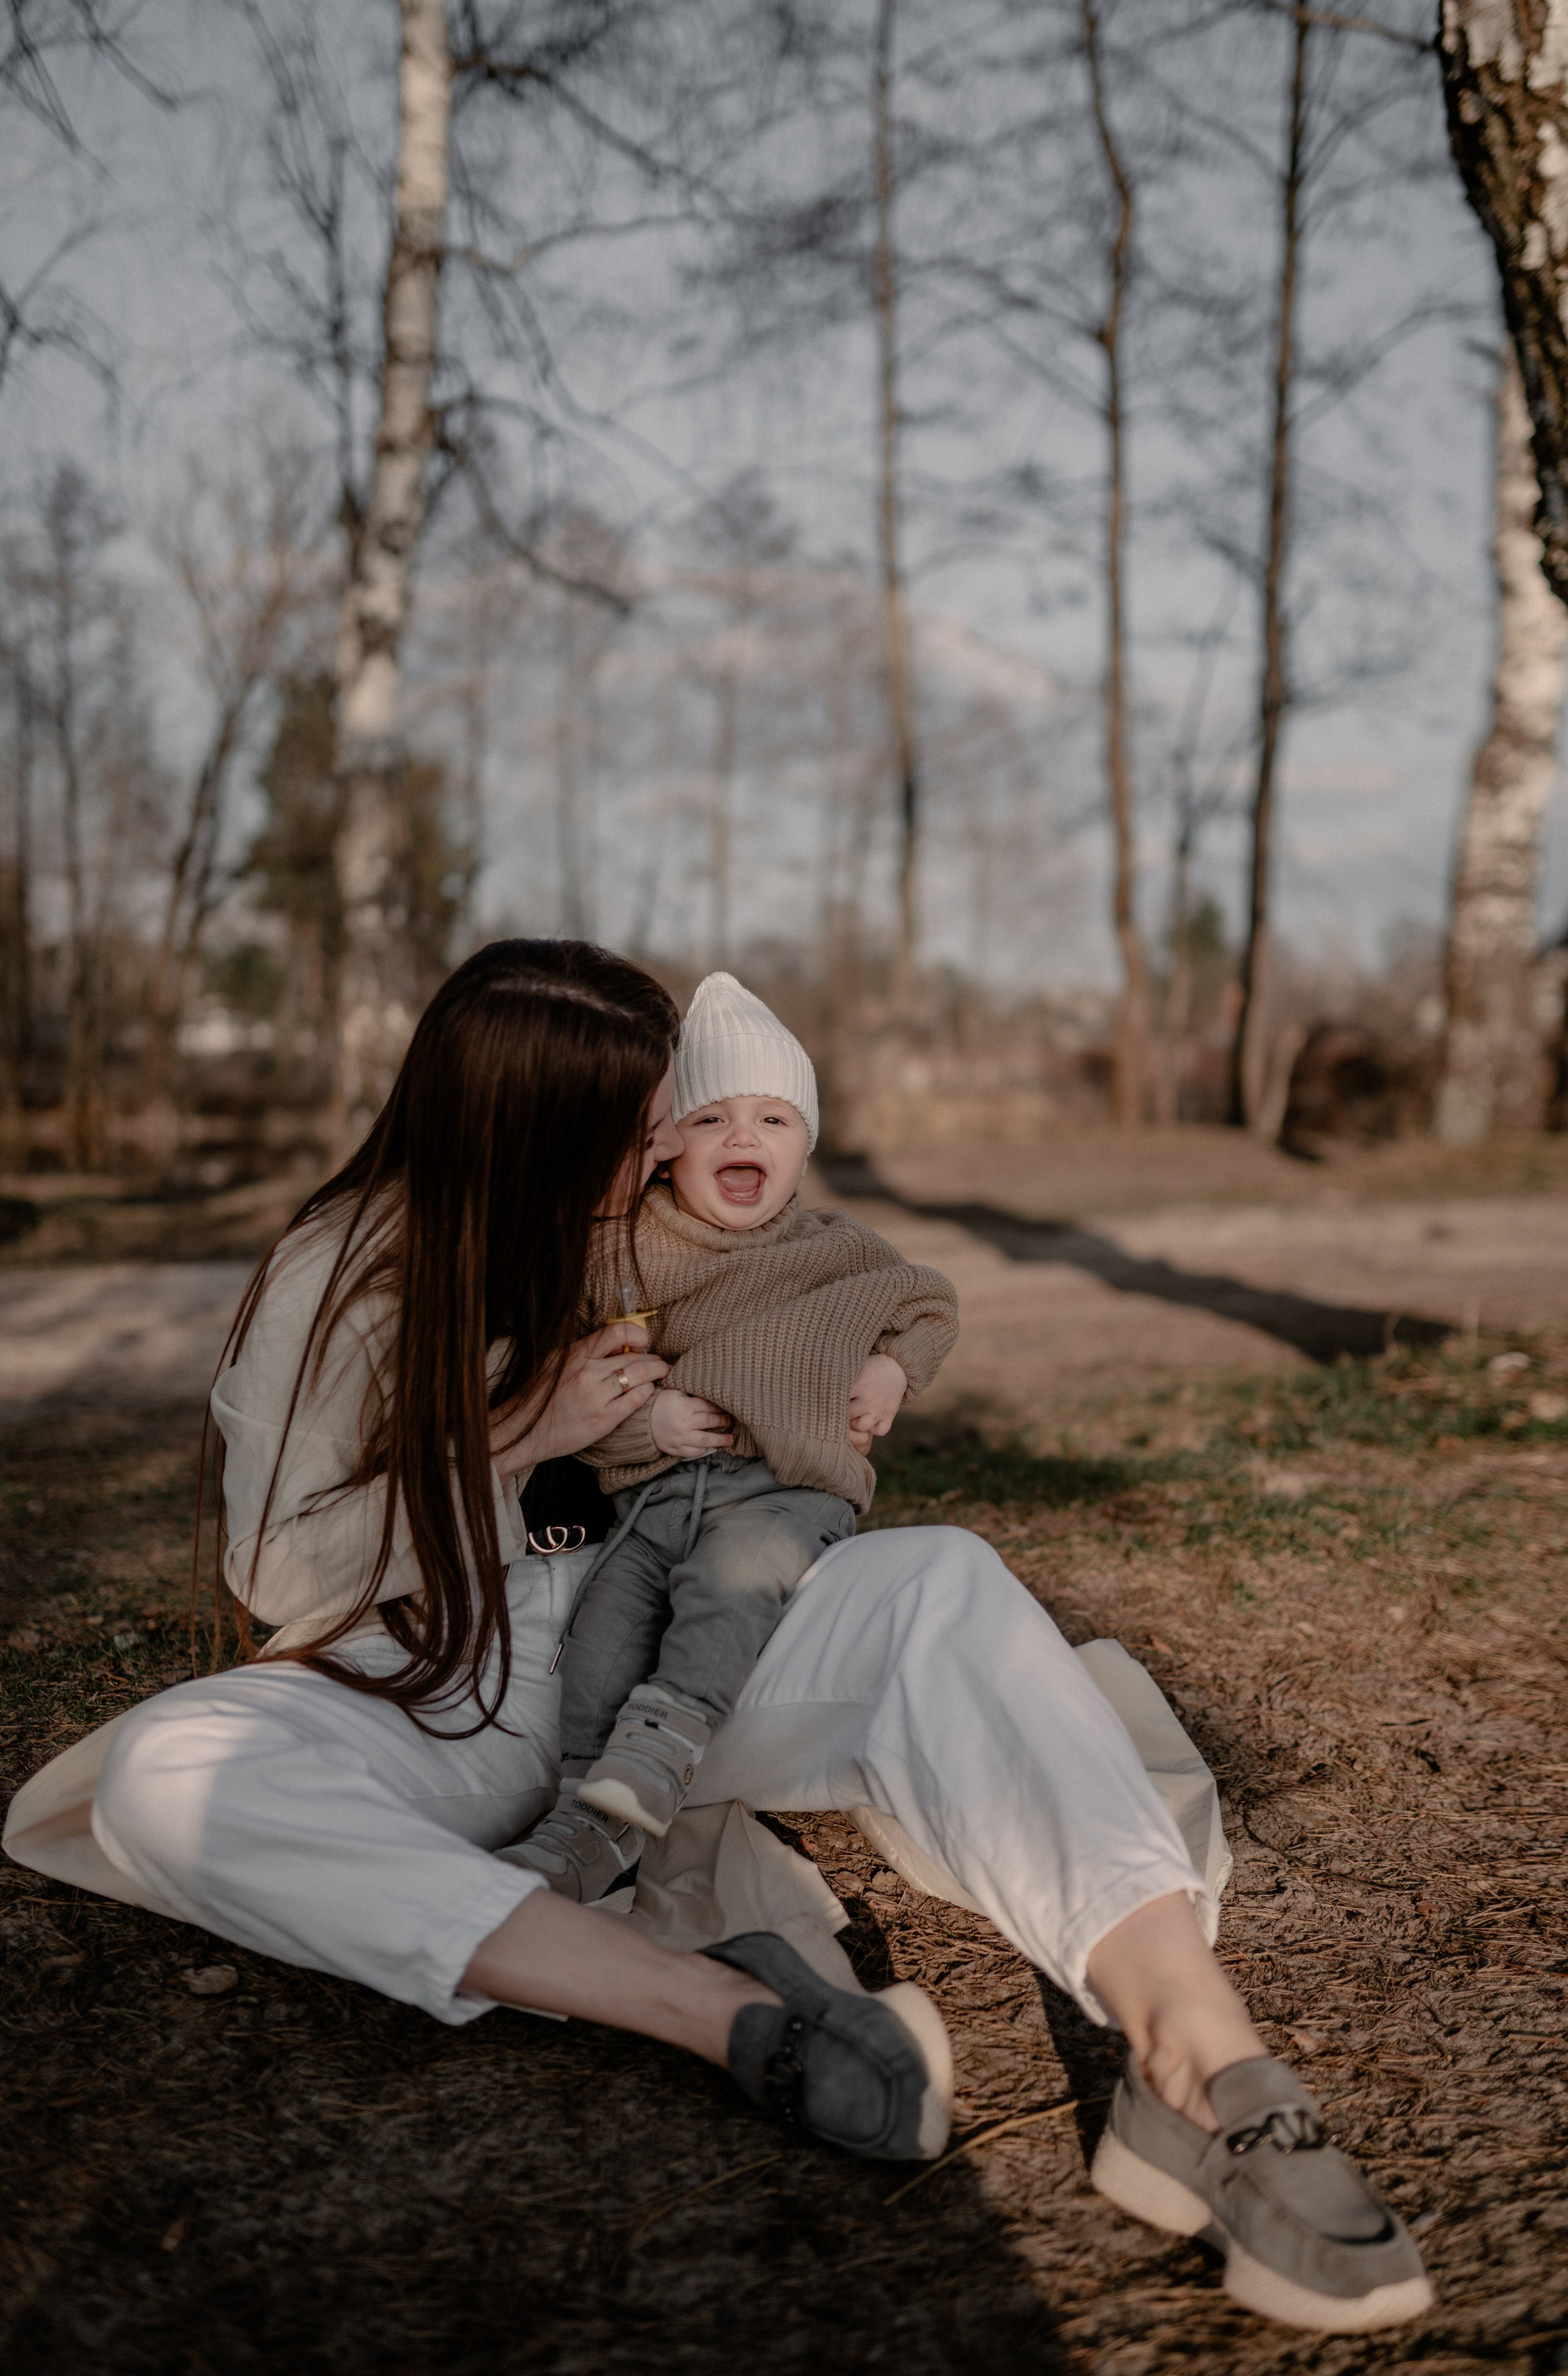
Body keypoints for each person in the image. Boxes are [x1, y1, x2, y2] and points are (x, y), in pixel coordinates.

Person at [2, 939, 1431, 2332]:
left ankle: (1202, 2066)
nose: (665, 1152)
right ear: (532, 1131)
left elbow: (716, 1412)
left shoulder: (633, 1241)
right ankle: (728, 2012)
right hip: (423, 1679)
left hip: (652, 1638)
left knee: (939, 1574)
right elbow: (278, 1572)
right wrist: (522, 1436)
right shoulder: (340, 1271)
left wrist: (825, 1388)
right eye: (638, 1130)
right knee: (168, 1769)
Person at [509, 972, 959, 1903]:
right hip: (658, 1494)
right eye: (712, 1119)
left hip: (785, 1489)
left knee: (735, 1583)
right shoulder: (625, 1252)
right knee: (600, 1634)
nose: (744, 1137)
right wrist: (647, 1416)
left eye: (775, 1121)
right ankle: (582, 1822)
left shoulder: (837, 1250)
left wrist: (891, 1370)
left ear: (805, 1150)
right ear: (669, 1149)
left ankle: (665, 1744)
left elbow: (930, 1301)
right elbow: (577, 1373)